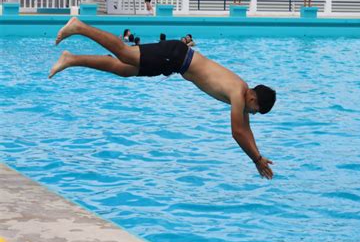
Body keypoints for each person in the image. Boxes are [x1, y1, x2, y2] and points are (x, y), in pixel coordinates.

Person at [49, 17, 277, 179]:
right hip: (175, 56)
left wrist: (259, 155)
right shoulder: (238, 94)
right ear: (253, 99)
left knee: (124, 69)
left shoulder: (241, 89)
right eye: (256, 110)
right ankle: (79, 27)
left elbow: (246, 130)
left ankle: (72, 59)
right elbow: (237, 132)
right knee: (125, 53)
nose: (252, 114)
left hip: (176, 61)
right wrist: (256, 160)